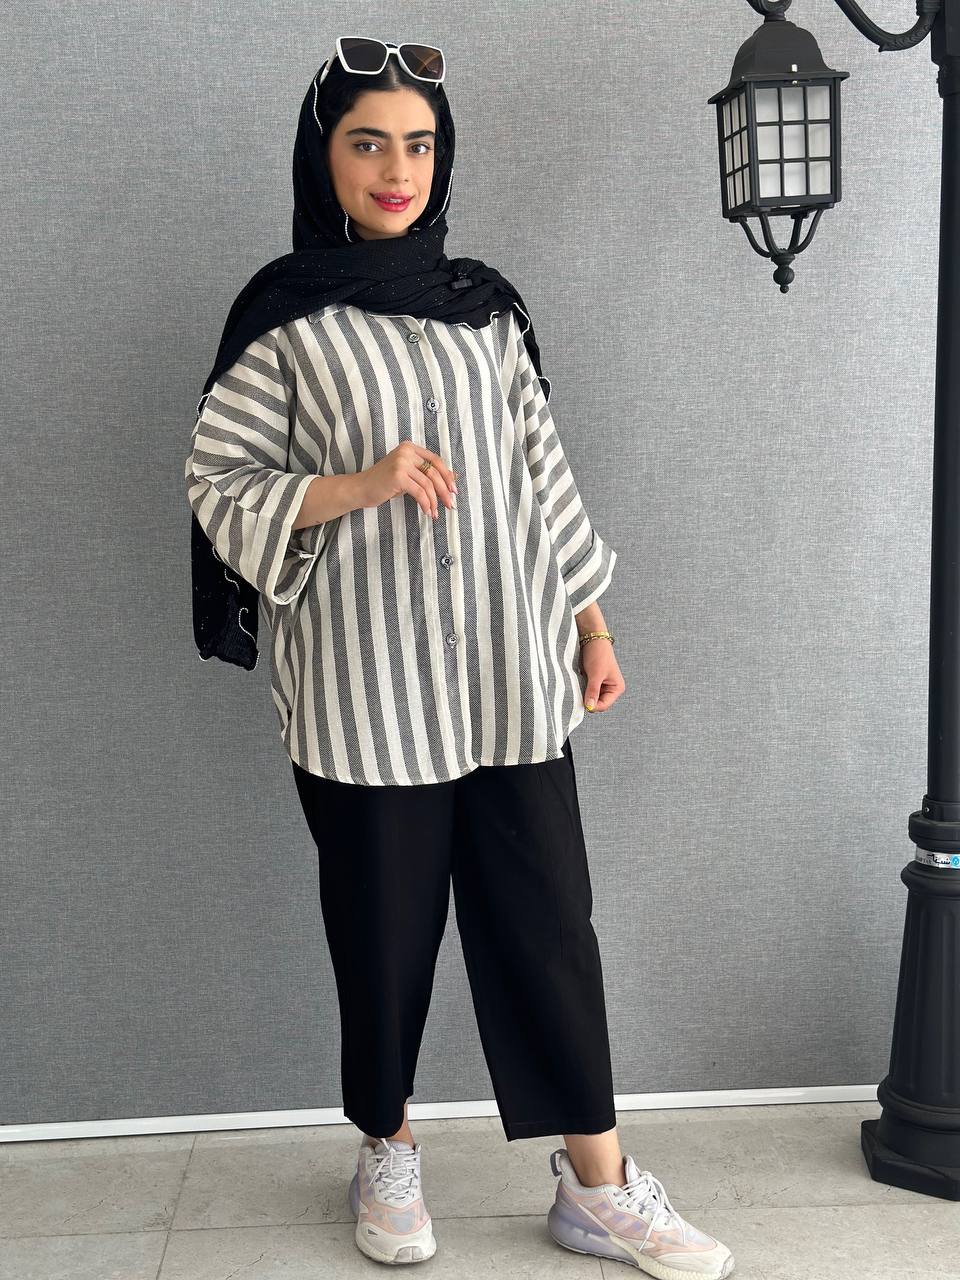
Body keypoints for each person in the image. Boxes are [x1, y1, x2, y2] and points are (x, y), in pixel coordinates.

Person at [185, 36, 735, 1279]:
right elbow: (218, 481)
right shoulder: (286, 320)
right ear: (323, 156)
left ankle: (598, 1183)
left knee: (550, 925)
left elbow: (544, 471)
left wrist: (591, 623)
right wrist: (359, 482)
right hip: (364, 690)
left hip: (510, 670)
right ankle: (386, 1147)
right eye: (368, 141)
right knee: (382, 935)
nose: (397, 169)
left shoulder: (487, 308)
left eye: (419, 144)